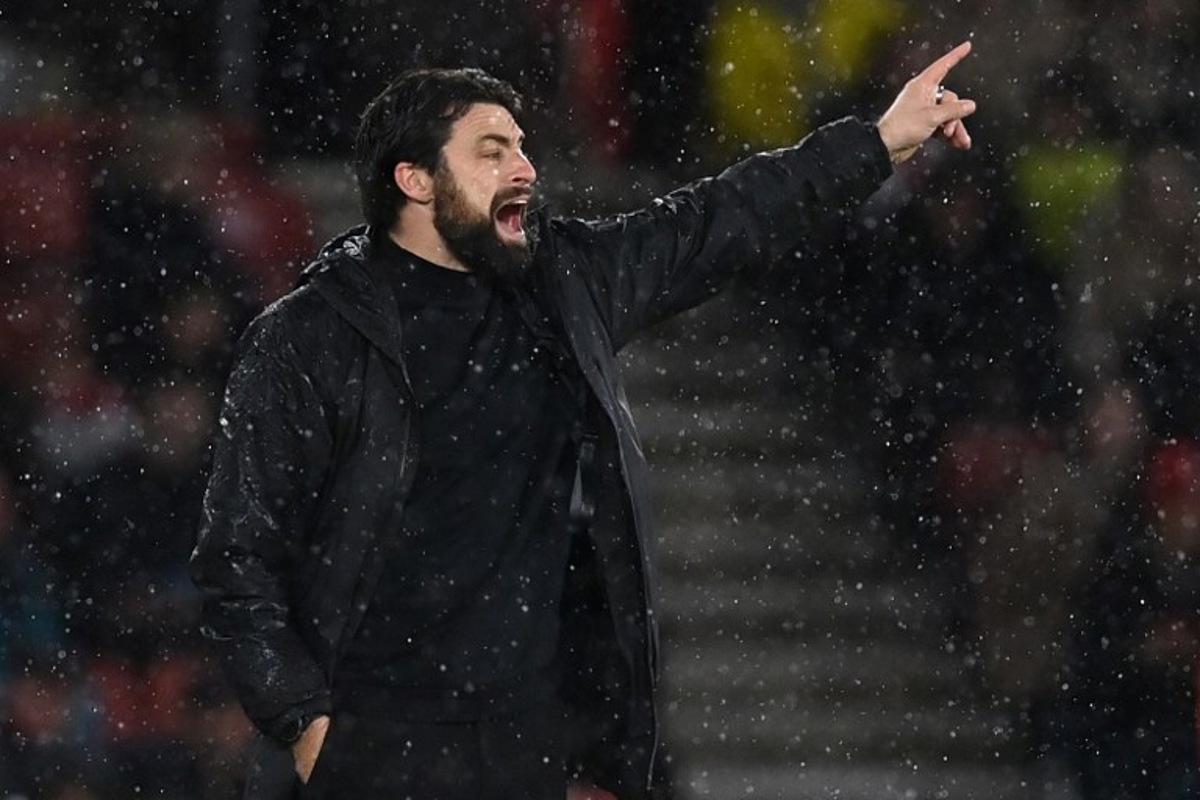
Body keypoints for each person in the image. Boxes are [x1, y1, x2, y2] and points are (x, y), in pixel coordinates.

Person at [189, 42, 978, 800]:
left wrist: (877, 143)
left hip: (519, 744)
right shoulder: (306, 338)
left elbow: (723, 220)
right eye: (492, 150)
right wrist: (311, 734)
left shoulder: (564, 283)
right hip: (367, 749)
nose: (525, 169)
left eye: (523, 147)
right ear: (415, 180)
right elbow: (237, 560)